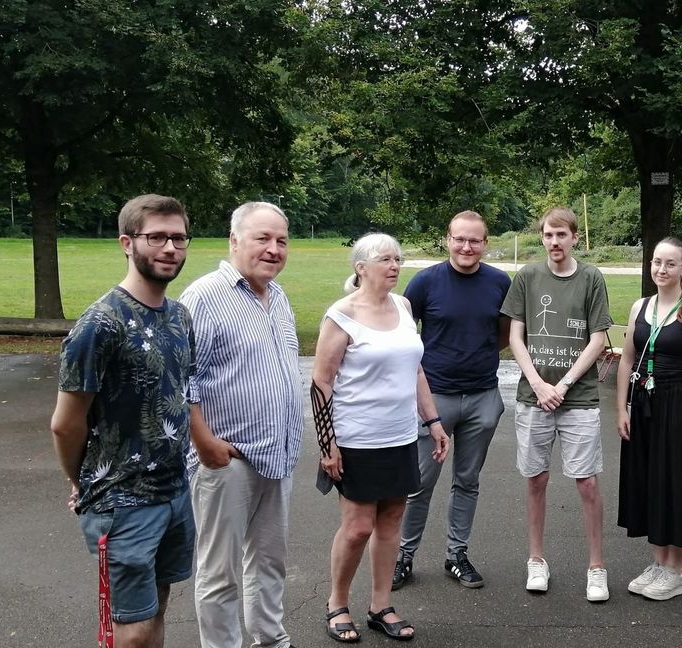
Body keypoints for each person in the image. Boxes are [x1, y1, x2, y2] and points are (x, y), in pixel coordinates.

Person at [50, 194, 196, 648]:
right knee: (129, 632)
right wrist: (83, 481)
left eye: (178, 238)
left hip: (174, 491)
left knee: (158, 602)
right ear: (126, 243)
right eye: (156, 237)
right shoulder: (101, 324)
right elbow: (65, 423)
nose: (170, 248)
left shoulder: (179, 316)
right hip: (123, 502)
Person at [310, 233, 451, 643]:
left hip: (401, 436)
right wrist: (327, 445)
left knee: (391, 523)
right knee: (357, 528)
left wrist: (434, 422)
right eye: (386, 260)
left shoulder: (404, 306)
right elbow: (321, 382)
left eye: (398, 259)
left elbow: (417, 371)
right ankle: (337, 603)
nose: (395, 266)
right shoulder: (342, 314)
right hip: (356, 439)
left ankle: (380, 605)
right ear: (361, 267)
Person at [179, 202, 302, 648]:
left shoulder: (278, 296)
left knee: (270, 561)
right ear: (235, 242)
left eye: (281, 241)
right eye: (262, 239)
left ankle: (271, 639)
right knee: (220, 572)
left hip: (276, 455)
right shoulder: (204, 297)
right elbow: (181, 378)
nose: (273, 249)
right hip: (227, 459)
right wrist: (204, 442)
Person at [501, 206, 614, 602]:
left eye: (561, 235)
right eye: (548, 235)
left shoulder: (591, 278)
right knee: (536, 479)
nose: (554, 243)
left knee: (586, 483)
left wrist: (562, 385)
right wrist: (537, 382)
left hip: (577, 398)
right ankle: (536, 559)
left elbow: (598, 338)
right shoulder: (528, 276)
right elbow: (516, 336)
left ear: (574, 238)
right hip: (534, 397)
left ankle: (596, 566)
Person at [393, 211, 511, 590]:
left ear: (485, 243)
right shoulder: (426, 282)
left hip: (482, 397)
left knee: (468, 480)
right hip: (434, 400)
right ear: (447, 239)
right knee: (419, 484)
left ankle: (456, 554)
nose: (466, 247)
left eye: (474, 240)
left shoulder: (499, 282)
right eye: (459, 239)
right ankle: (403, 556)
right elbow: (403, 335)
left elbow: (504, 335)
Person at [614, 237, 682, 601]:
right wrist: (621, 406)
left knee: (677, 482)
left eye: (670, 263)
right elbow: (626, 359)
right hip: (643, 404)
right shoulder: (641, 306)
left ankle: (676, 569)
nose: (661, 269)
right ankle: (658, 562)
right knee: (649, 481)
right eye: (657, 262)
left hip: (678, 405)